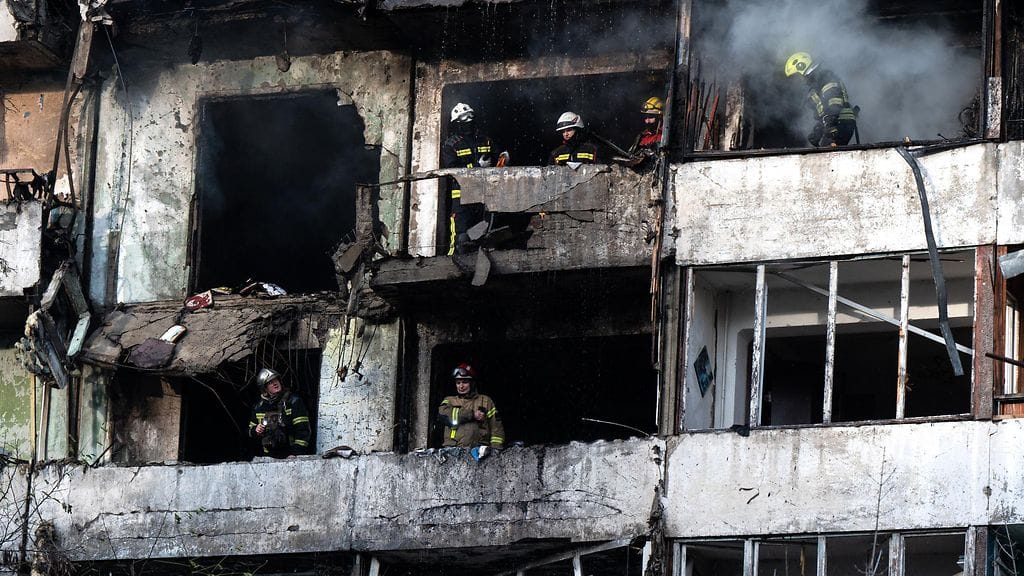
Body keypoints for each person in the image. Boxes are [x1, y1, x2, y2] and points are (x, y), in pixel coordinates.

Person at [443, 103, 507, 256]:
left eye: (470, 118)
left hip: (483, 194)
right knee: (460, 235)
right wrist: (476, 166)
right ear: (457, 124)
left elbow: (499, 154)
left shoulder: (485, 140)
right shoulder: (451, 144)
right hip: (462, 197)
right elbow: (452, 168)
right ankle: (453, 262)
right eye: (464, 120)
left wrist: (504, 156)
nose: (468, 122)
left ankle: (480, 262)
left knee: (483, 230)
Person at [784, 52, 857, 148]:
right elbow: (824, 114)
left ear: (802, 67)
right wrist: (817, 132)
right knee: (824, 152)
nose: (797, 80)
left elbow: (833, 102)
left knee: (826, 156)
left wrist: (831, 126)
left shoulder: (824, 78)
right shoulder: (815, 84)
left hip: (841, 123)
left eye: (796, 76)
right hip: (837, 123)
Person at [437, 363, 504, 450]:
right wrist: (472, 415)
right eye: (458, 383)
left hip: (479, 451)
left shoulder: (486, 401)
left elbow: (496, 428)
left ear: (472, 383)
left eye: (465, 382)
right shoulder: (449, 400)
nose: (461, 386)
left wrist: (495, 450)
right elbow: (442, 415)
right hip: (454, 451)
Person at [249, 368, 312, 458]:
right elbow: (249, 432)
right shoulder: (258, 407)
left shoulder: (294, 401)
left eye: (276, 380)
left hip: (291, 455)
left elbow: (303, 431)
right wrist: (255, 430)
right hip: (269, 457)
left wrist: (296, 454)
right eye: (270, 382)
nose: (275, 383)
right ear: (264, 388)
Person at [627, 96, 664, 164]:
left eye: (650, 117)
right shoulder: (642, 136)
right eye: (646, 117)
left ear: (660, 117)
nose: (647, 121)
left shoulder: (664, 137)